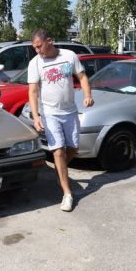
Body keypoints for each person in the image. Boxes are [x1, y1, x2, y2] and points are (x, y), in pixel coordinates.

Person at [27, 29, 94, 211]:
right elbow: (33, 91)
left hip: (70, 112)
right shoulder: (35, 63)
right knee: (58, 152)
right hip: (49, 113)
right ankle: (67, 193)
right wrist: (36, 116)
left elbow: (82, 77)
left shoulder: (69, 55)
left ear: (50, 40)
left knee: (73, 148)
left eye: (39, 46)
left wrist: (88, 95)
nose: (37, 51)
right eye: (35, 48)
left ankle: (59, 169)